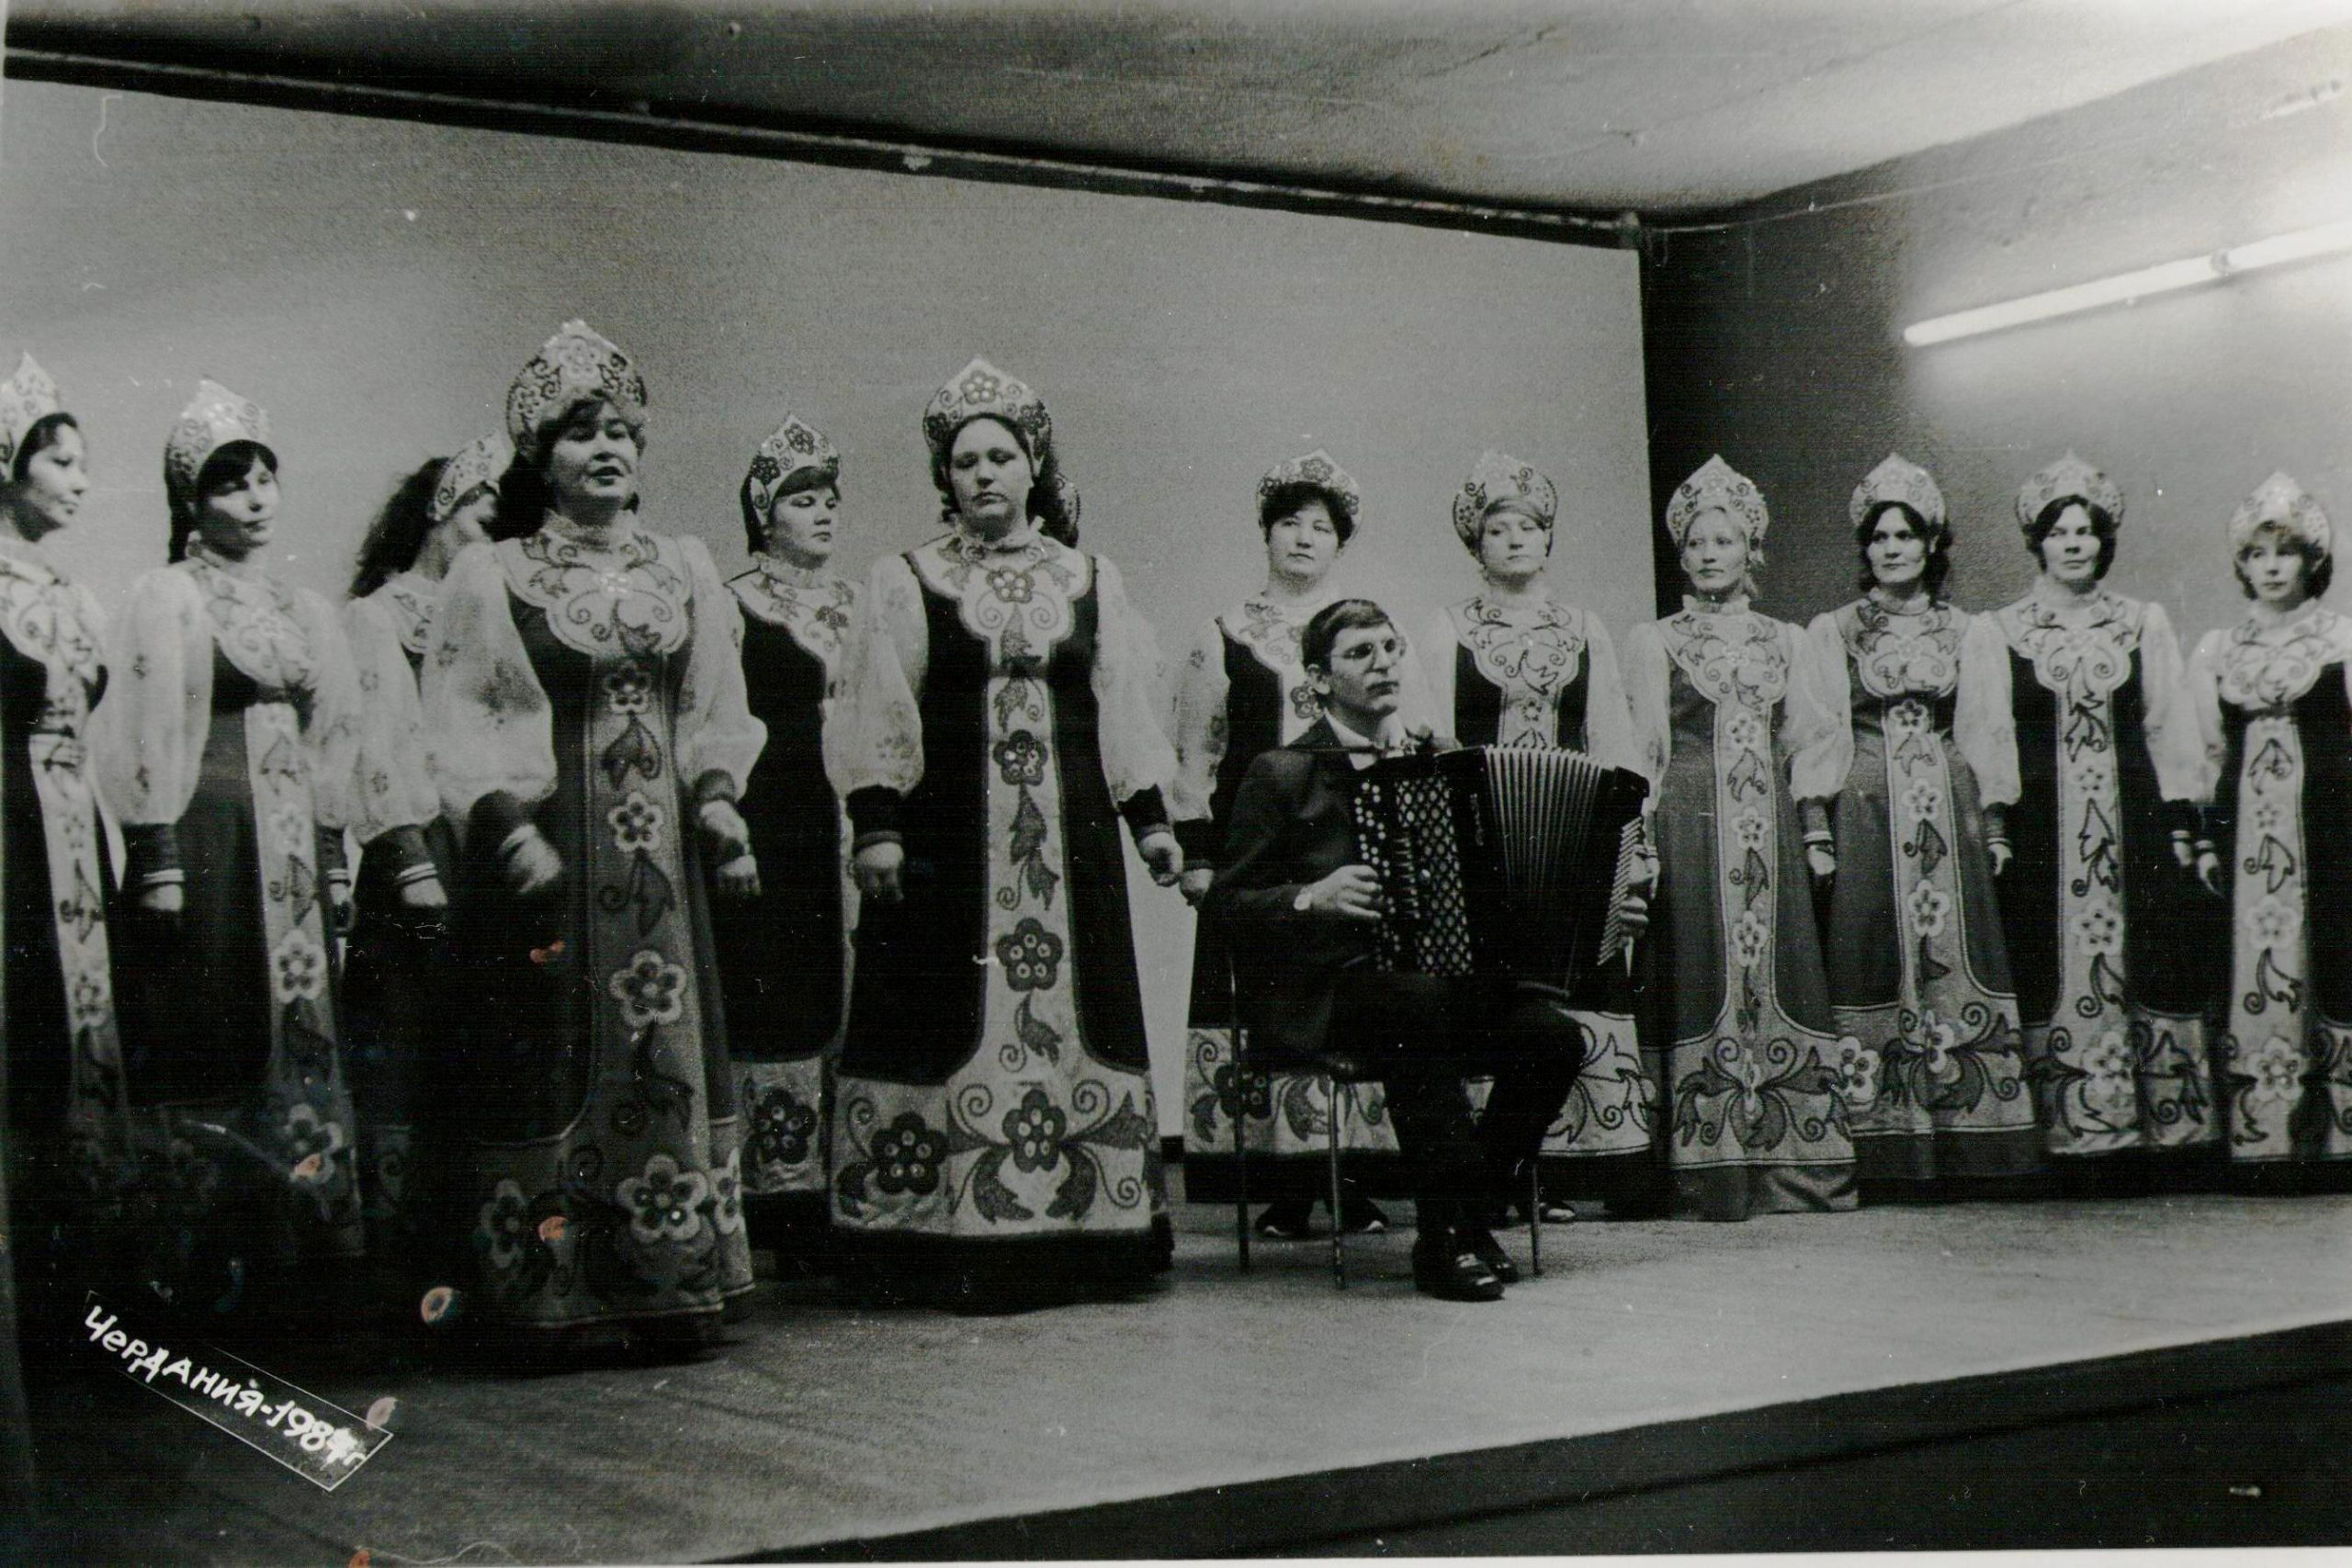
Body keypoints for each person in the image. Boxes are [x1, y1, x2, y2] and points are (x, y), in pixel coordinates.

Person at [421, 321, 764, 1357]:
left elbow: (714, 701)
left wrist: (718, 799)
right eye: (581, 434)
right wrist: (504, 825)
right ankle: (556, 1293)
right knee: (554, 1047)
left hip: (663, 866)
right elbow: (460, 714)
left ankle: (672, 1278)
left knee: (669, 1045)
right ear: (542, 457)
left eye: (621, 432)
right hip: (556, 856)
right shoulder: (495, 575)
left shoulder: (684, 567)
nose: (606, 449)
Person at [829, 357, 1182, 1310]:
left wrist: (1150, 822)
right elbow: (882, 705)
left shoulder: (1090, 578)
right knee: (942, 1012)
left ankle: (1085, 1230)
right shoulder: (907, 579)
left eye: (1000, 457)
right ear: (945, 480)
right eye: (965, 462)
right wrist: (878, 825)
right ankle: (940, 1233)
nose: (983, 474)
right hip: (949, 846)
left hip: (1074, 847)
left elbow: (1121, 708)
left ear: (1033, 468)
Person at [96, 380, 443, 1318]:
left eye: (263, 479)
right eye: (229, 483)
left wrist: (330, 854)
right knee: (216, 1014)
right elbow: (140, 722)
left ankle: (301, 1257)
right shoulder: (168, 598)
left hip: (290, 845)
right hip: (209, 834)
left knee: (300, 1024)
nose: (254, 499)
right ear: (190, 500)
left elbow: (338, 734)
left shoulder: (304, 610)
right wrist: (155, 851)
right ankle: (205, 1262)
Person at [1209, 598, 1608, 1301]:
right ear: (1319, 678)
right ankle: (1444, 1239)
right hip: (1330, 990)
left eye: (1390, 648)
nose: (1383, 663)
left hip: (1431, 986)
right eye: (1360, 653)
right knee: (1415, 1005)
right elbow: (1229, 905)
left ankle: (1470, 1212)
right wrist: (1311, 896)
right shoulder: (1282, 771)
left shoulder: (1440, 761)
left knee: (1552, 1038)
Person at [1957, 453, 2220, 1189]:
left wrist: (2182, 823)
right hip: (2042, 830)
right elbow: (1987, 736)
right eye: (2059, 531)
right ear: (2037, 542)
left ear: (2104, 541)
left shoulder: (2142, 622)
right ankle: (2064, 1136)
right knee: (2045, 960)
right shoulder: (1999, 631)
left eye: (2086, 531)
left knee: (2148, 956)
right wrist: (1997, 824)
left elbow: (2168, 725)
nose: (2074, 543)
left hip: (2135, 822)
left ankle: (2155, 1136)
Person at [1419, 450, 1655, 1219]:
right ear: (1477, 545)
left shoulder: (1585, 629)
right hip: (1479, 849)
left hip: (1570, 842)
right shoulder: (1447, 628)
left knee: (1576, 979)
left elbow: (1614, 742)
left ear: (1548, 538)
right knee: (1492, 993)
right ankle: (1494, 1169)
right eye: (1497, 529)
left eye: (1528, 526)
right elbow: (1431, 740)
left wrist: (1631, 850)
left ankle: (1569, 1171)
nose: (1515, 538)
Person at [1623, 457, 1859, 1220]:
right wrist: (1643, 842)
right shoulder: (1655, 640)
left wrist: (1813, 828)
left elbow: (1809, 738)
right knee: (1694, 966)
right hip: (1689, 820)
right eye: (1696, 543)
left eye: (1723, 541)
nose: (1709, 554)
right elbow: (1647, 749)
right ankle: (1700, 1165)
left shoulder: (1785, 639)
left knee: (1778, 967)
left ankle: (1789, 1160)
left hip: (1769, 826)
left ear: (1749, 549)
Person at [1171, 451, 1397, 1241]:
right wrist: (1198, 853)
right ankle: (1284, 1189)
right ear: (1265, 534)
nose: (1304, 538)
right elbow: (1197, 748)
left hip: (1344, 850)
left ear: (1341, 543)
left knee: (1358, 993)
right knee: (1271, 1005)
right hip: (1260, 856)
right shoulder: (1224, 634)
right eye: (1290, 524)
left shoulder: (1363, 632)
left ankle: (1355, 1182)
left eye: (1322, 528)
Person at [1805, 456, 2041, 1200]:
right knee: (1871, 954)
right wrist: (1816, 826)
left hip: (1948, 807)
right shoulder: (1834, 631)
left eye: (1905, 535)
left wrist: (1994, 823)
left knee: (1954, 957)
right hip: (1867, 810)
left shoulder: (1968, 631)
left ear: (1932, 543)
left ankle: (1975, 1142)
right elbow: (1819, 731)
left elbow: (1985, 728)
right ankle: (1885, 1146)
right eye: (1879, 537)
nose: (1892, 548)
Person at [341, 434, 504, 1274]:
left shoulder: (487, 615)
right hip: (418, 853)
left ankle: (478, 1253)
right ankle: (401, 1261)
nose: (492, 531)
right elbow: (377, 742)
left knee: (481, 1040)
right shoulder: (379, 617)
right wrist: (410, 857)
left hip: (483, 848)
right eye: (482, 514)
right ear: (443, 511)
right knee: (408, 1038)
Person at [0, 354, 135, 1314]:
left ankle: (80, 1290)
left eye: (84, 463)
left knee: (81, 1030)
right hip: (9, 833)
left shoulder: (78, 597)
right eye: (60, 461)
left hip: (75, 832)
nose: (81, 481)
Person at [718, 414, 858, 1259]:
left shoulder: (862, 604)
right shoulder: (733, 605)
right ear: (765, 516)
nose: (823, 511)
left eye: (830, 498)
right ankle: (782, 1198)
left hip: (855, 828)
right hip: (781, 826)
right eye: (803, 500)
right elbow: (718, 719)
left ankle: (855, 1189)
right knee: (782, 994)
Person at [2187, 472, 2352, 1189]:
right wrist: (2202, 836)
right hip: (2244, 836)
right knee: (2249, 962)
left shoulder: (2341, 639)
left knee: (2335, 955)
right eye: (2258, 555)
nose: (2273, 567)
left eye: (2286, 552)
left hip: (2330, 826)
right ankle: (2261, 1138)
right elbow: (2204, 750)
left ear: (2312, 560)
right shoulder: (2219, 649)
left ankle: (2335, 1137)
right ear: (2243, 566)